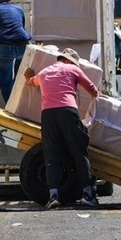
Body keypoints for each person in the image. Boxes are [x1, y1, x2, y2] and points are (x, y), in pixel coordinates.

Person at [24, 48, 101, 209]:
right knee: (79, 151)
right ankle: (88, 194)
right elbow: (92, 89)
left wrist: (28, 77)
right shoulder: (73, 69)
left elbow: (31, 82)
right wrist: (99, 98)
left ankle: (53, 196)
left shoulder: (45, 72)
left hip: (48, 115)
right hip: (67, 112)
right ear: (70, 61)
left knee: (52, 154)